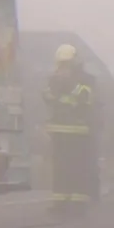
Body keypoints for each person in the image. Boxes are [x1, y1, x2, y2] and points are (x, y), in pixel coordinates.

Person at [43, 44, 97, 216]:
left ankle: (78, 204)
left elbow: (85, 99)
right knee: (60, 168)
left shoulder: (86, 79)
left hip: (79, 131)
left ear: (74, 63)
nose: (63, 68)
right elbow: (47, 97)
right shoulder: (54, 79)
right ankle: (60, 202)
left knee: (77, 167)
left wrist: (68, 85)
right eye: (61, 64)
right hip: (59, 130)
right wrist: (56, 87)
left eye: (66, 64)